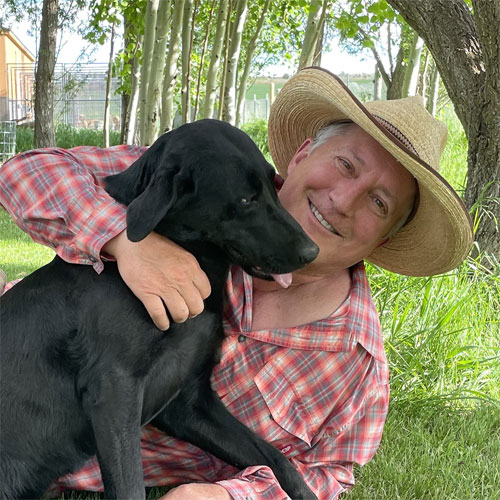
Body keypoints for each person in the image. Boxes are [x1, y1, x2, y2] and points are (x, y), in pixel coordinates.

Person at [0, 67, 473, 500]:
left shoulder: (357, 363)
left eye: (379, 203)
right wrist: (124, 239)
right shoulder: (204, 172)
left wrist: (229, 496)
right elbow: (22, 173)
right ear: (304, 154)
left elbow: (329, 472)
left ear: (383, 238)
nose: (344, 200)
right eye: (347, 165)